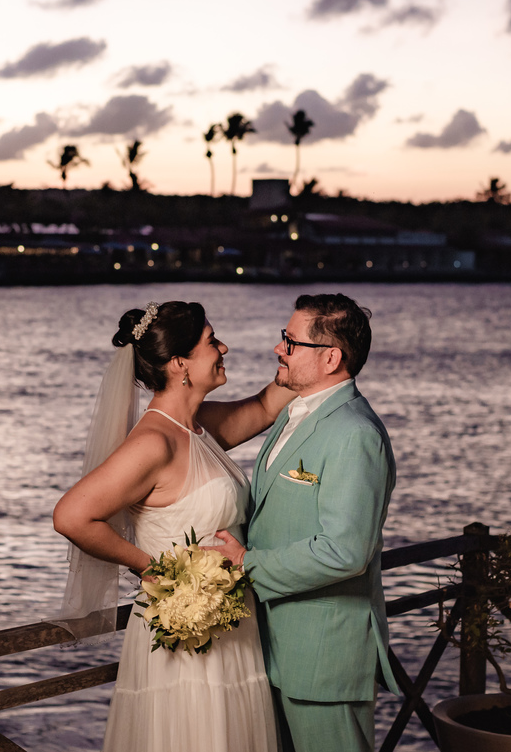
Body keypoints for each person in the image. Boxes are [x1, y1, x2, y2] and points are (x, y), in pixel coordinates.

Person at [53, 300, 294, 752]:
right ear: (181, 362)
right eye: (211, 341)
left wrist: (304, 356)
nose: (224, 346)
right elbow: (71, 515)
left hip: (230, 627)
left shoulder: (198, 427)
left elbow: (265, 407)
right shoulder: (153, 441)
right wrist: (155, 569)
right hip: (183, 630)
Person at [208, 293, 400, 752]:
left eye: (290, 342)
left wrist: (247, 563)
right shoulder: (294, 412)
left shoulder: (355, 433)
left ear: (331, 357)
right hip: (274, 647)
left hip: (324, 658)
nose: (279, 349)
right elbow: (271, 514)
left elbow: (345, 551)